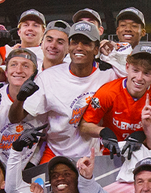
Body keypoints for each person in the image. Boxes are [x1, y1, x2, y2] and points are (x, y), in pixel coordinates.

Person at [22, 20, 122, 162]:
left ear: (96, 49)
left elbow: (134, 77)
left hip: (92, 153)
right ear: (69, 46)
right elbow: (22, 115)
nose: (79, 47)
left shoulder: (109, 74)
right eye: (75, 42)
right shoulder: (48, 77)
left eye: (86, 43)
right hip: (55, 151)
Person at [79, 44, 151, 153]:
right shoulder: (108, 92)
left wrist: (144, 133)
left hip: (140, 155)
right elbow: (84, 126)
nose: (139, 78)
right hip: (109, 154)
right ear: (127, 67)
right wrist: (103, 132)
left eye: (147, 73)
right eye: (135, 70)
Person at [0, 49, 44, 164]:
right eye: (13, 65)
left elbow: (46, 138)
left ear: (35, 74)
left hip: (27, 169)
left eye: (25, 66)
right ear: (6, 72)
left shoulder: (42, 97)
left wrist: (34, 162)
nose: (18, 70)